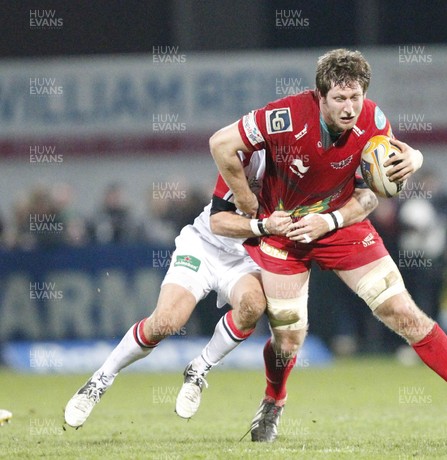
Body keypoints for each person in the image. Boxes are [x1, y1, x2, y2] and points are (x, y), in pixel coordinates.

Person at [209, 48, 447, 441]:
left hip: (339, 226)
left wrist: (412, 161)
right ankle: (274, 401)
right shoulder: (283, 117)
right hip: (283, 231)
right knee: (289, 338)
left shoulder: (374, 120)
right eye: (339, 98)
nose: (350, 107)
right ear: (319, 96)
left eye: (356, 97)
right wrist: (248, 201)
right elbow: (220, 144)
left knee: (404, 314)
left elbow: (373, 195)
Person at [63, 149, 378, 432]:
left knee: (254, 305)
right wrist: (264, 226)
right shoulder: (248, 161)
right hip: (204, 246)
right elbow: (219, 222)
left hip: (245, 257)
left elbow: (356, 194)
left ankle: (199, 369)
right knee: (167, 322)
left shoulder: (308, 180)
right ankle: (99, 381)